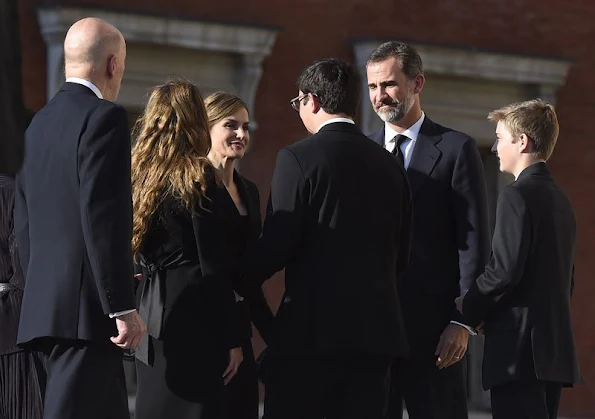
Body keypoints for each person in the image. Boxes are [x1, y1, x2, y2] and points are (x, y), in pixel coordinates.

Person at [241, 58, 412, 419]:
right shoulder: (390, 164)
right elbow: (401, 255)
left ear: (312, 101)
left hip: (311, 338)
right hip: (376, 338)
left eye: (297, 103)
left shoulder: (299, 158)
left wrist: (233, 276)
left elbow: (278, 244)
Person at [14, 18, 146, 419]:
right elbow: (103, 216)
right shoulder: (104, 118)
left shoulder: (38, 125)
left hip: (45, 309)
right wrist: (121, 305)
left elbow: (24, 219)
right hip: (85, 317)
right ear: (112, 64)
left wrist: (34, 289)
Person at [366, 41, 491, 419]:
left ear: (417, 83)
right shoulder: (364, 154)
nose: (379, 96)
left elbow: (473, 242)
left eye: (388, 84)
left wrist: (463, 321)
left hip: (435, 331)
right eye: (372, 87)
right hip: (373, 330)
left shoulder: (456, 149)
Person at [455, 99, 582, 419]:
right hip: (552, 354)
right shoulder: (561, 199)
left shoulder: (516, 194)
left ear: (522, 141)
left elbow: (504, 271)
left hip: (518, 353)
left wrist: (467, 310)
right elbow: (567, 280)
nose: (496, 148)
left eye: (499, 138)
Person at [132, 79, 245, 419]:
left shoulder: (138, 174)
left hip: (151, 311)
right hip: (196, 313)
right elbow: (213, 265)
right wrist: (232, 337)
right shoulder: (198, 175)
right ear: (195, 119)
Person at [204, 91, 275, 419]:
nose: (241, 134)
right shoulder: (195, 185)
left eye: (246, 127)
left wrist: (274, 335)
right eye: (230, 125)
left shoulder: (249, 189)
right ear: (207, 128)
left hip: (241, 322)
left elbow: (250, 271)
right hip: (204, 325)